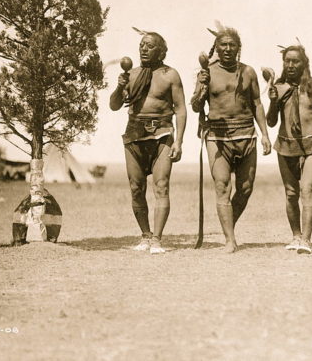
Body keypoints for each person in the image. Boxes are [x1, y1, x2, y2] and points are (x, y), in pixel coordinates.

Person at [191, 23, 271, 253]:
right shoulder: (207, 72)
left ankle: (229, 226)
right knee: (222, 186)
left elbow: (257, 103)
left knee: (245, 188)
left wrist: (265, 134)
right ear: (216, 47)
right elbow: (196, 106)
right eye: (223, 44)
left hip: (246, 134)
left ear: (238, 48)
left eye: (231, 45)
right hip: (217, 137)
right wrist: (201, 87)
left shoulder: (248, 72)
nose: (227, 48)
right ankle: (230, 239)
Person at [110, 30, 186, 254]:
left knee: (161, 186)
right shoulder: (131, 75)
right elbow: (114, 105)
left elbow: (180, 109)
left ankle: (157, 240)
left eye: (149, 45)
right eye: (142, 44)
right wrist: (119, 86)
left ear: (161, 51)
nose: (143, 48)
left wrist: (179, 141)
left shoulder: (170, 75)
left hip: (162, 134)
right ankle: (145, 235)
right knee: (136, 188)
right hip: (134, 134)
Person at [266, 44, 312, 254]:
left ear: (304, 63)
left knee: (307, 190)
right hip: (285, 145)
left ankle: (306, 239)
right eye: (288, 61)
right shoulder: (279, 87)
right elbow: (271, 121)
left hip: (311, 144)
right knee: (291, 193)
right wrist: (273, 101)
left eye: (296, 61)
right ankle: (295, 235)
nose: (291, 65)